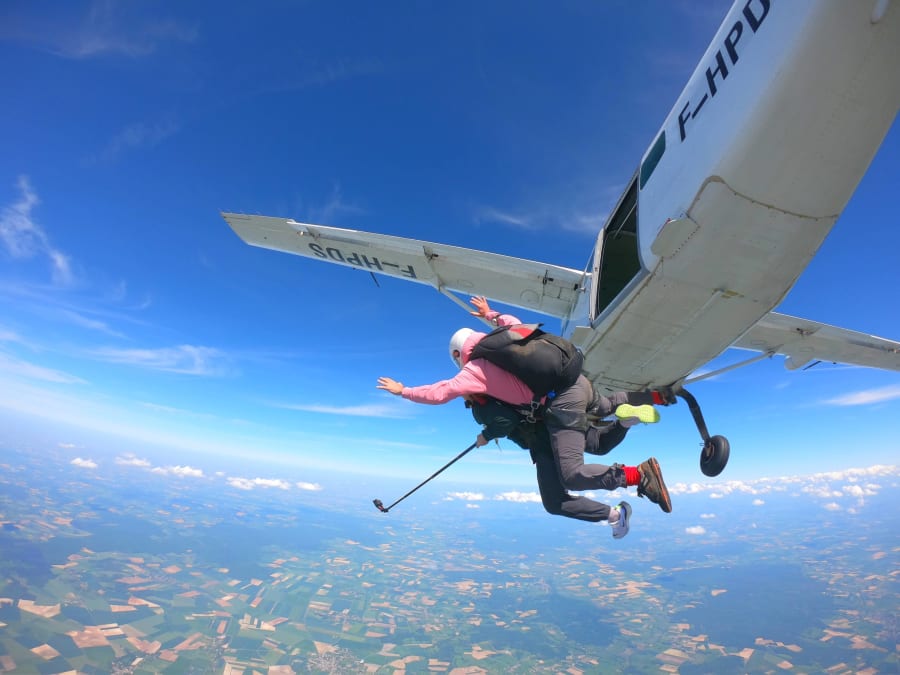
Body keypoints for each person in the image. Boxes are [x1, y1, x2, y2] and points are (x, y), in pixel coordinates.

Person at [377, 296, 675, 527]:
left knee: (571, 476)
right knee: (605, 412)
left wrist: (404, 391)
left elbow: (440, 392)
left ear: (458, 355)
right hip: (577, 379)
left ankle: (639, 475)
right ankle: (641, 406)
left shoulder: (475, 369)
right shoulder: (505, 340)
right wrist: (489, 313)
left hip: (559, 403)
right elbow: (511, 319)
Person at [467, 393, 660, 538]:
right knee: (599, 443)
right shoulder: (504, 388)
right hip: (561, 417)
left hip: (544, 440)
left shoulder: (480, 405)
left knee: (555, 501)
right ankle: (626, 421)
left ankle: (619, 510)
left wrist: (486, 435)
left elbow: (506, 421)